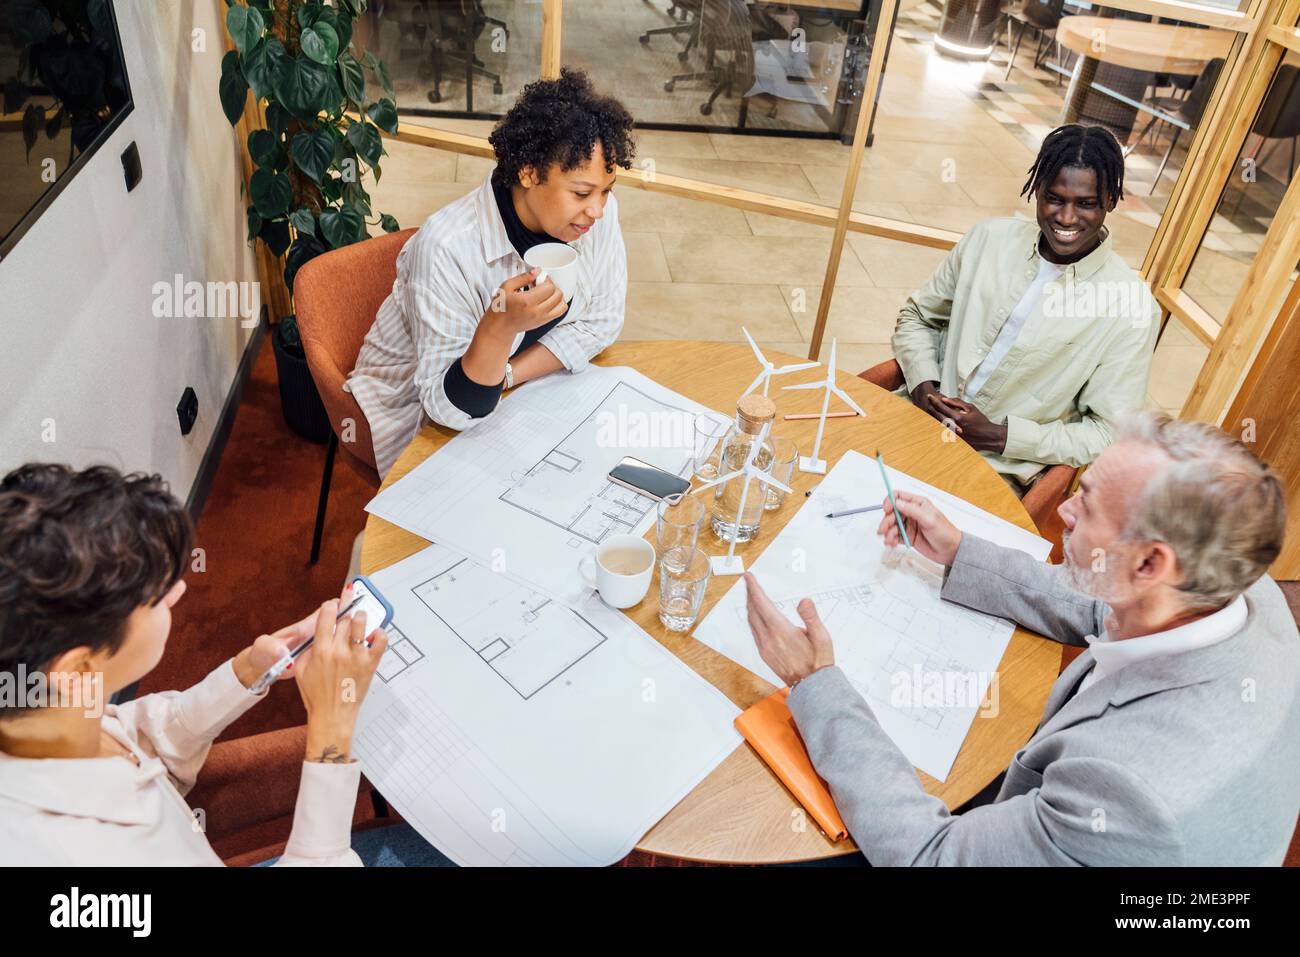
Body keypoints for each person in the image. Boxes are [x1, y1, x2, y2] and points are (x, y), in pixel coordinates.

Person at [743, 412, 1300, 865]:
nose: (1064, 510)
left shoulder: (1131, 797)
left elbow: (929, 857)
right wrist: (961, 551)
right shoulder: (1243, 589)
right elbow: (1102, 599)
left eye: (1088, 503)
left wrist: (814, 682)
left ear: (1152, 562)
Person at [0, 463, 446, 866]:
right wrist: (332, 731)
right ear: (77, 672)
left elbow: (143, 737)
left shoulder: (40, 715)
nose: (177, 593)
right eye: (155, 595)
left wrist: (250, 669)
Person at [346, 68, 636, 477]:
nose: (598, 211)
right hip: (420, 411)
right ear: (529, 173)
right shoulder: (448, 247)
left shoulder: (594, 219)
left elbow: (603, 321)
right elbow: (451, 409)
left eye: (607, 190)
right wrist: (498, 328)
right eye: (581, 193)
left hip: (515, 393)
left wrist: (510, 374)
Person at [891, 124, 1158, 494]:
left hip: (995, 472)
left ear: (1111, 200)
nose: (1066, 218)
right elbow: (918, 318)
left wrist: (1001, 437)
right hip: (912, 421)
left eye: (1085, 203)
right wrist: (923, 384)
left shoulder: (1130, 307)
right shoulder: (988, 239)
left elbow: (1108, 433)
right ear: (1035, 191)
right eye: (1054, 198)